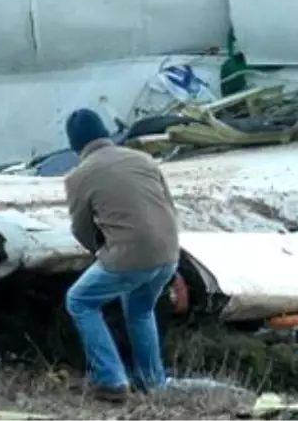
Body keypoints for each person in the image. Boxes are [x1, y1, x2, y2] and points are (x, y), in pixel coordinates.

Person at [62, 108, 181, 402]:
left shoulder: (79, 176)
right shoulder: (144, 160)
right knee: (140, 310)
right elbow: (168, 208)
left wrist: (100, 252)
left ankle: (111, 378)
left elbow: (81, 229)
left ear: (75, 146)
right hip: (169, 254)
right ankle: (153, 381)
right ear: (106, 133)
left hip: (129, 256)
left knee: (79, 300)